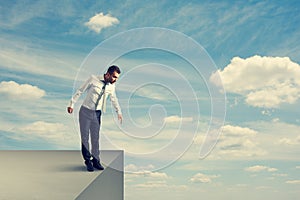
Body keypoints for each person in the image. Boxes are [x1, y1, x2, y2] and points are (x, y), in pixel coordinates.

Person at [67, 65, 123, 172]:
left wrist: (118, 112)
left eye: (117, 78)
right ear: (108, 74)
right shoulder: (93, 79)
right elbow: (80, 90)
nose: (115, 80)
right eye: (114, 77)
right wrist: (72, 104)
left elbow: (113, 99)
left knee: (95, 138)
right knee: (85, 138)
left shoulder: (111, 86)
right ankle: (88, 161)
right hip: (85, 112)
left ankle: (96, 160)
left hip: (97, 114)